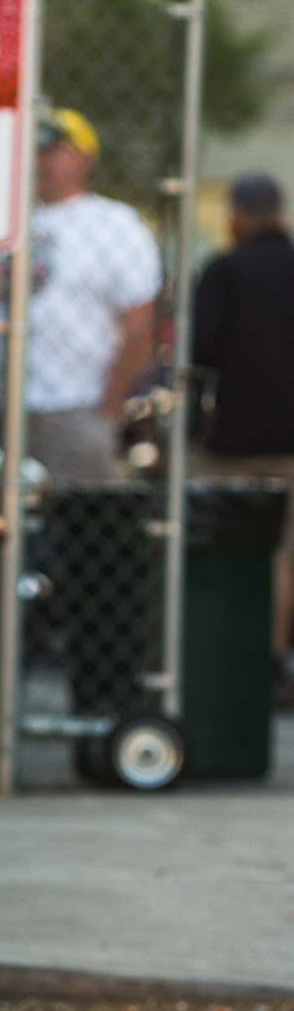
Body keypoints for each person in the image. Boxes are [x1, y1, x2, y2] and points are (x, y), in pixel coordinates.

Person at [23, 108, 162, 482]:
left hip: (76, 403)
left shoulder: (115, 225)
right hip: (0, 404)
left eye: (51, 151)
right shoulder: (8, 217)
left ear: (82, 158)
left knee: (75, 516)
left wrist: (110, 405)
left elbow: (138, 325)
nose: (37, 161)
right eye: (31, 150)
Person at [191, 173, 294, 656]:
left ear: (237, 213)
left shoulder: (225, 270)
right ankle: (273, 659)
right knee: (283, 557)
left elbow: (202, 349)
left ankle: (223, 650)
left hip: (230, 445)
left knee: (222, 545)